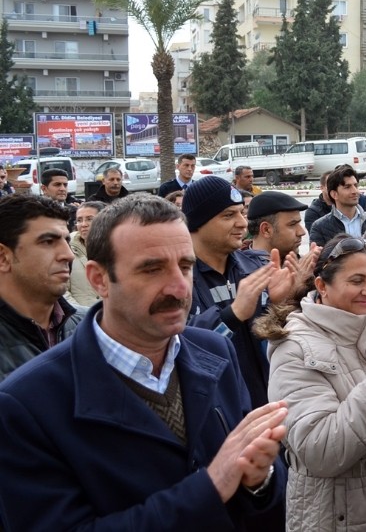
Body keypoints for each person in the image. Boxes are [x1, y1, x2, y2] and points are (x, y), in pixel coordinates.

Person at [0, 195, 287, 529]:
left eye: (185, 265)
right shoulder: (25, 404)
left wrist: (260, 479)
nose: (179, 287)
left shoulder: (215, 351)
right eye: (151, 269)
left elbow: (258, 489)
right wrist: (208, 487)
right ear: (98, 279)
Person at [256, 235, 366, 531]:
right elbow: (320, 449)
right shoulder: (294, 347)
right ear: (322, 286)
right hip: (334, 514)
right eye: (356, 281)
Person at [184, 176, 297, 408]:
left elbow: (274, 341)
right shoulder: (179, 278)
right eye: (228, 215)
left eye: (242, 213)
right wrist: (231, 315)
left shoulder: (255, 268)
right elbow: (182, 347)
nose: (242, 223)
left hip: (266, 408)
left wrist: (279, 305)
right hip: (215, 415)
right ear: (197, 223)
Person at [0, 195, 82, 382]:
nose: (68, 255)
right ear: (3, 257)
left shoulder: (90, 327)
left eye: (66, 240)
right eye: (47, 242)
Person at [310, 164, 366, 245]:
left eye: (356, 186)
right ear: (334, 194)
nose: (355, 191)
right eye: (347, 187)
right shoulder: (319, 227)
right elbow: (320, 256)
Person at [65, 200, 107, 308]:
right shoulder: (67, 249)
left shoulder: (117, 249)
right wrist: (80, 315)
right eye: (79, 220)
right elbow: (63, 291)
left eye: (90, 219)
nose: (83, 224)